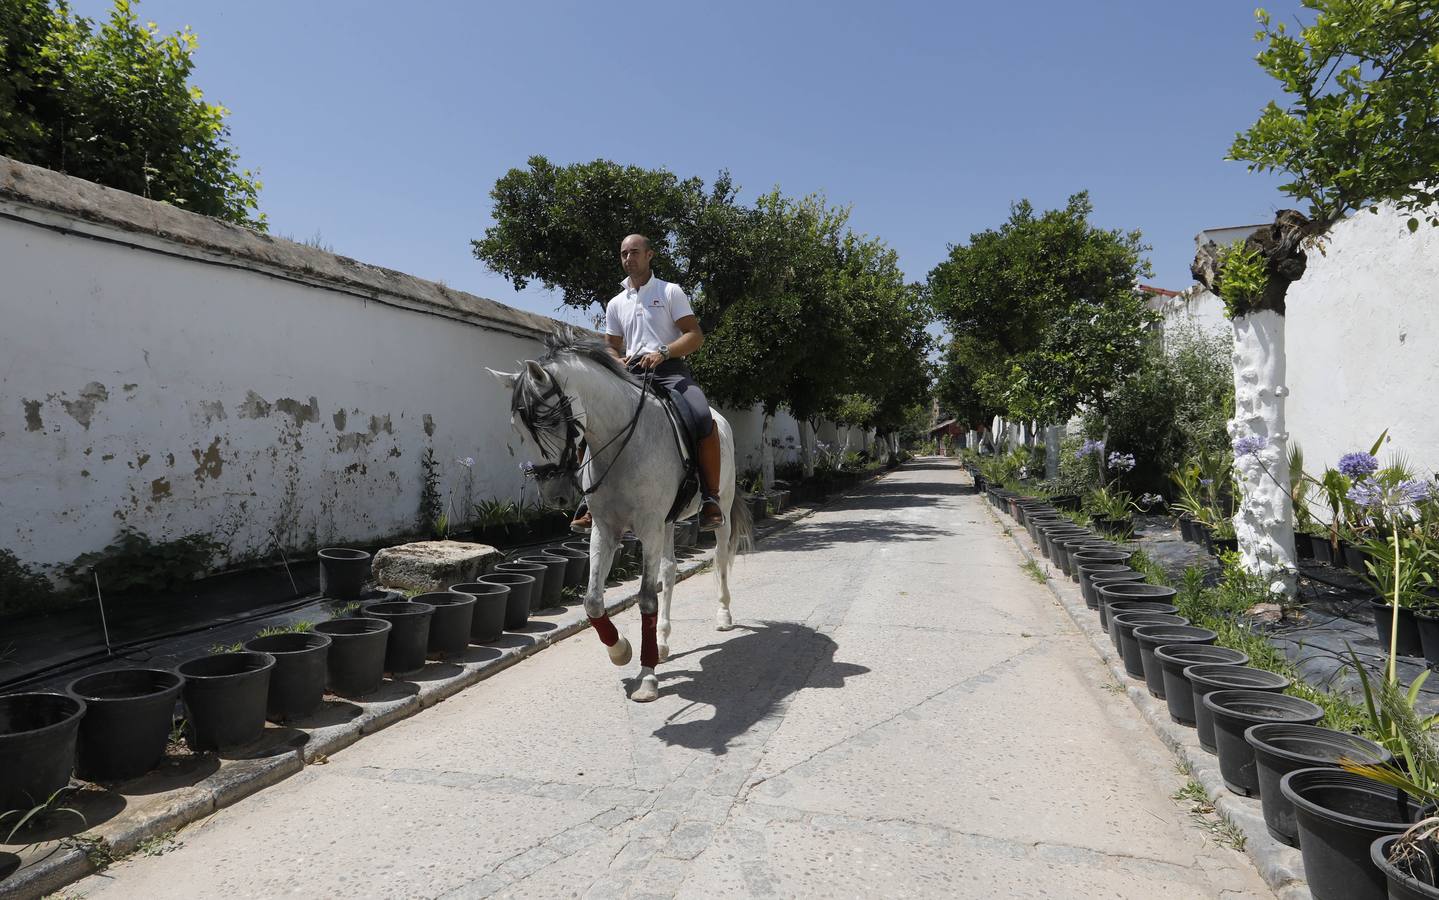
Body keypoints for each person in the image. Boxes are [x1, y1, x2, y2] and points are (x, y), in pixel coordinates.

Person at [570, 233, 726, 532]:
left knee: (702, 417)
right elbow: (611, 346)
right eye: (624, 253)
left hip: (669, 371)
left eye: (635, 252)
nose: (629, 258)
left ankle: (710, 498)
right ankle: (589, 502)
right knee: (588, 422)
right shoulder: (616, 303)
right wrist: (616, 361)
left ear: (650, 255)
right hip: (631, 374)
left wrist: (664, 352)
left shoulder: (670, 292)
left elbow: (695, 335)